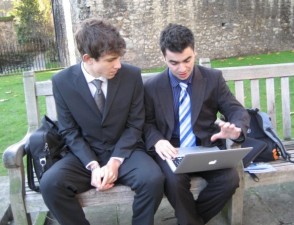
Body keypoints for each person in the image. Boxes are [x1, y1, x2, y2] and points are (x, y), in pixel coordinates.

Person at [39, 18, 164, 225]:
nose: (118, 64)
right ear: (88, 59)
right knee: (51, 183)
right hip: (85, 155)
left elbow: (135, 124)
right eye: (111, 60)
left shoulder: (131, 76)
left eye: (119, 58)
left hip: (126, 152)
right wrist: (93, 166)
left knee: (153, 179)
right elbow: (69, 131)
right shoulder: (62, 82)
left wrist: (115, 161)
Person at [143, 23, 250, 225]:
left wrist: (236, 130)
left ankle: (190, 220)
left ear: (195, 52)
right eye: (174, 63)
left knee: (230, 180)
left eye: (187, 60)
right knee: (174, 182)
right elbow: (145, 123)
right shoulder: (151, 86)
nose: (182, 68)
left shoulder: (213, 79)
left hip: (205, 147)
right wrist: (157, 140)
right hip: (171, 150)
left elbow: (236, 110)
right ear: (163, 58)